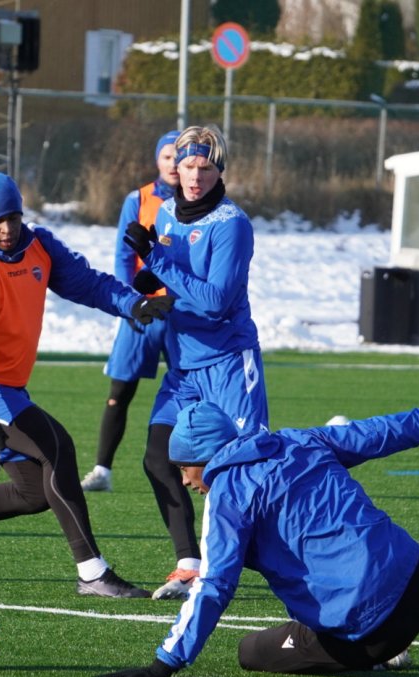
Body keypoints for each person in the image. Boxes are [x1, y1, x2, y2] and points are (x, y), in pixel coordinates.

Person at [98, 398, 419, 677]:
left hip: (366, 636)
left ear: (205, 457)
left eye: (185, 467)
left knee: (250, 652)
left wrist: (166, 662)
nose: (185, 481)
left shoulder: (227, 496)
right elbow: (390, 430)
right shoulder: (299, 441)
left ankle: (381, 655)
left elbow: (216, 585)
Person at [0, 171, 172, 598]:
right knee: (56, 446)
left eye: (13, 218)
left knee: (33, 493)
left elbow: (88, 283)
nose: (6, 229)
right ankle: (93, 573)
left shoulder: (38, 243)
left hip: (5, 385)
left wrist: (133, 304)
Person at [121, 125, 268, 600]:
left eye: (205, 167)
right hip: (184, 366)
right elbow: (170, 276)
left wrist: (156, 262)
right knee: (158, 457)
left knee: (244, 471)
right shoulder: (165, 213)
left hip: (228, 363)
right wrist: (143, 285)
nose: (195, 176)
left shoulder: (232, 225)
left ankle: (297, 565)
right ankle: (189, 564)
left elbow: (214, 301)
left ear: (219, 171)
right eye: (188, 165)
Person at [80, 130, 179, 494]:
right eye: (167, 156)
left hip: (183, 311)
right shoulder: (137, 199)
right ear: (157, 160)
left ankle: (205, 469)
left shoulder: (198, 202)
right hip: (144, 308)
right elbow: (124, 256)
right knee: (120, 390)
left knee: (193, 390)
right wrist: (130, 303)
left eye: (180, 156)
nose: (174, 163)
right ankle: (102, 470)